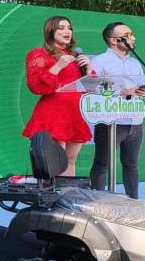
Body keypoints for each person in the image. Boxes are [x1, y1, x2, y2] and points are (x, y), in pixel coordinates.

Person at [22, 16, 93, 176]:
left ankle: (68, 198)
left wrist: (88, 69)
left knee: (70, 160)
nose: (67, 31)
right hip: (52, 114)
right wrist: (58, 65)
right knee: (54, 163)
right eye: (61, 28)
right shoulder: (38, 54)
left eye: (69, 27)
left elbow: (90, 88)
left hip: (75, 113)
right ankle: (53, 199)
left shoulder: (75, 56)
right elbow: (35, 86)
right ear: (51, 31)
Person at [89, 22, 145, 198]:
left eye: (132, 34)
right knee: (102, 164)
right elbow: (92, 88)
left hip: (134, 121)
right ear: (114, 40)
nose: (133, 38)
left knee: (132, 165)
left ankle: (133, 202)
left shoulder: (135, 62)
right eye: (128, 35)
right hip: (110, 121)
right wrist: (119, 91)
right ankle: (97, 203)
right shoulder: (99, 61)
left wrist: (144, 91)